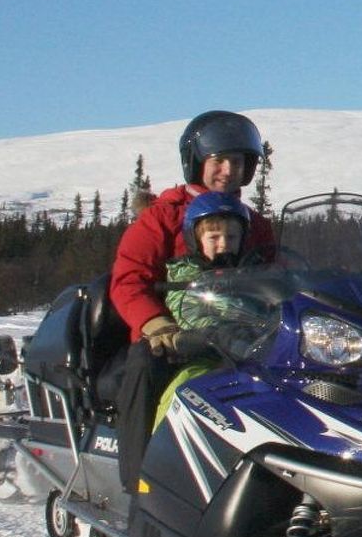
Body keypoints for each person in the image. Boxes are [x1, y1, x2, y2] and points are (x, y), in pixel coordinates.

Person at [107, 111, 278, 487]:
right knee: (144, 364)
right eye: (219, 160)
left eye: (237, 161)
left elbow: (277, 276)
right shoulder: (162, 217)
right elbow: (128, 280)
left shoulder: (256, 224)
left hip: (241, 333)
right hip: (174, 336)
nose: (228, 170)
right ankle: (139, 482)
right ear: (197, 161)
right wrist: (157, 325)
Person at [152, 191, 254, 431]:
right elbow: (186, 308)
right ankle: (160, 456)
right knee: (186, 388)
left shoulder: (252, 275)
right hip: (203, 357)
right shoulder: (184, 275)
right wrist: (216, 333)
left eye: (231, 237)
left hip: (251, 360)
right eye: (214, 237)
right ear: (196, 239)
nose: (223, 244)